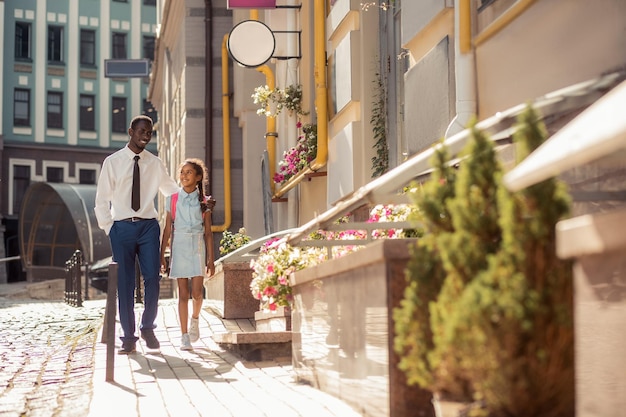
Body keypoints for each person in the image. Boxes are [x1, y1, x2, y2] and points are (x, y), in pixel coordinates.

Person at [94, 115, 179, 354]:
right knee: (125, 284)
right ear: (131, 131)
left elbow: (171, 191)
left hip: (148, 227)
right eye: (141, 131)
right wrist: (110, 228)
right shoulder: (113, 162)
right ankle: (128, 338)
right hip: (121, 228)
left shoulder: (154, 163)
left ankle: (147, 327)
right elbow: (101, 199)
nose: (145, 135)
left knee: (153, 277)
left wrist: (197, 199)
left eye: (149, 132)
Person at [160, 158, 215, 350]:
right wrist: (162, 255)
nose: (184, 176)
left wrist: (211, 260)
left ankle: (195, 319)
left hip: (197, 246)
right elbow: (167, 230)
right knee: (183, 294)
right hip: (180, 246)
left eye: (189, 172)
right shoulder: (172, 199)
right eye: (182, 172)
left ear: (198, 177)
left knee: (197, 293)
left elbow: (208, 232)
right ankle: (184, 335)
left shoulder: (205, 202)